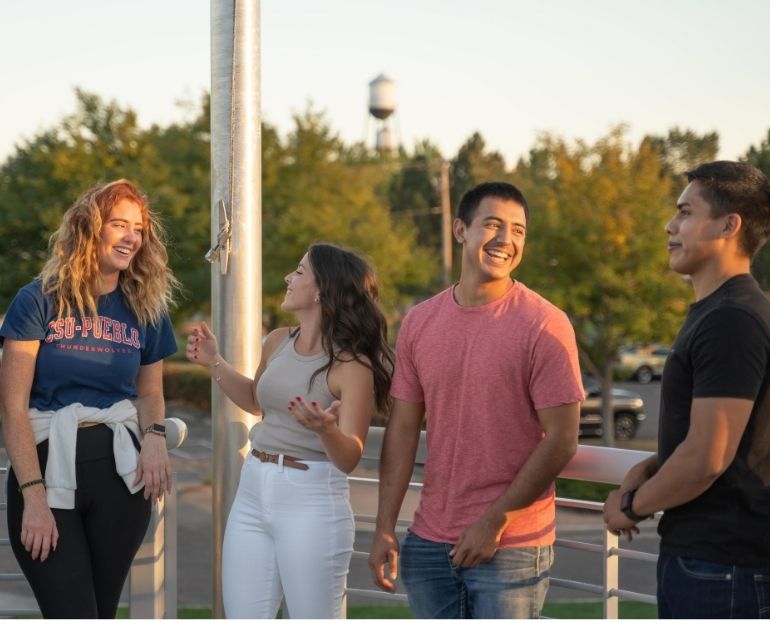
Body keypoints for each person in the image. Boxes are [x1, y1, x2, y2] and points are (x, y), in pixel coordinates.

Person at [368, 181, 584, 619]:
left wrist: (495, 521)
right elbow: (404, 429)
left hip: (511, 547)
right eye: (493, 225)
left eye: (519, 230)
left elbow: (562, 439)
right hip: (427, 542)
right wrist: (385, 527)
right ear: (460, 230)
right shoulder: (420, 322)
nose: (507, 240)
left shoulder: (545, 325)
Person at [0, 179, 179, 618]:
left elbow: (150, 392)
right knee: (71, 616)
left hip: (121, 478)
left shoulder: (146, 307)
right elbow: (12, 407)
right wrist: (34, 500)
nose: (132, 237)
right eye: (119, 224)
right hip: (45, 476)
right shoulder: (36, 300)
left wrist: (154, 437)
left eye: (138, 229)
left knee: (101, 615)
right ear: (89, 229)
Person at [186, 242, 393, 618]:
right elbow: (255, 401)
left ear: (320, 290)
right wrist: (214, 362)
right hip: (253, 489)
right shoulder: (278, 340)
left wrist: (326, 430)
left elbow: (349, 456)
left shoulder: (352, 366)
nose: (288, 277)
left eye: (299, 271)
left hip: (312, 500)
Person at [603, 161, 770, 619]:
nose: (669, 225)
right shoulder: (721, 312)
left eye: (684, 212)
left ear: (728, 225)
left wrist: (632, 506)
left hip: (723, 568)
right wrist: (652, 466)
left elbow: (708, 457)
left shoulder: (732, 318)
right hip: (713, 564)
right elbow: (739, 440)